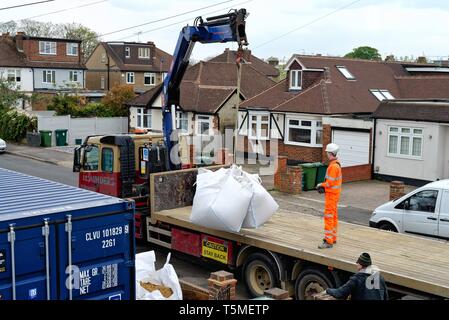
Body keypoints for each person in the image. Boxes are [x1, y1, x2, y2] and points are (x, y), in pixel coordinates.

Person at [316, 143, 342, 249]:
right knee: (334, 217)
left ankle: (328, 241)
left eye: (327, 152)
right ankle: (333, 238)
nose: (326, 154)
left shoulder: (333, 167)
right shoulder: (336, 164)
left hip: (331, 196)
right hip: (334, 195)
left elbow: (329, 183)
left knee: (329, 218)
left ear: (331, 153)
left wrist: (320, 185)